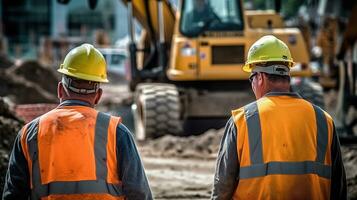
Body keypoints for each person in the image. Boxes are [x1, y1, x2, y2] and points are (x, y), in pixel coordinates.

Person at [2, 44, 153, 200]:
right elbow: (139, 192)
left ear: (60, 89)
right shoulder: (116, 133)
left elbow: (13, 195)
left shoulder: (29, 133)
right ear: (98, 95)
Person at [211, 35, 346, 199]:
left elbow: (222, 187)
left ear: (259, 78)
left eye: (251, 78)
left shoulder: (242, 120)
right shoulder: (324, 120)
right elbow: (339, 189)